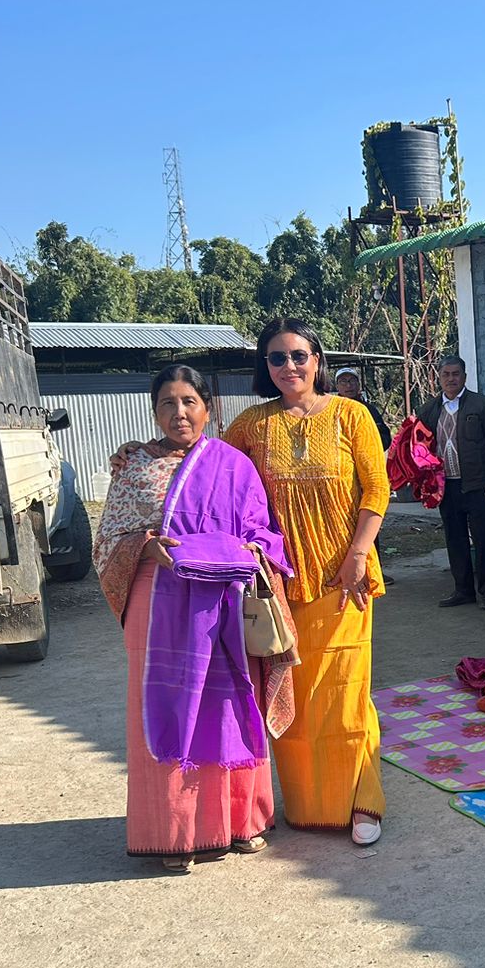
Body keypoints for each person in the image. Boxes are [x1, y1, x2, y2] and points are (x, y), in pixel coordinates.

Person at [94, 365, 294, 873]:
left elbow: (264, 535)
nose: (178, 413)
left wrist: (235, 552)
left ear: (208, 406)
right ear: (154, 409)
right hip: (155, 598)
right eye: (167, 403)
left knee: (227, 706)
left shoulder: (233, 465)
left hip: (221, 604)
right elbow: (108, 542)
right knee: (168, 705)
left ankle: (240, 822)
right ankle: (175, 834)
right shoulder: (135, 467)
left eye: (188, 401)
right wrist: (144, 546)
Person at [223, 317, 392, 846]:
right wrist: (147, 455)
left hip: (346, 579)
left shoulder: (351, 414)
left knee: (345, 695)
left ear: (317, 360)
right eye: (277, 358)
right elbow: (211, 471)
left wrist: (358, 554)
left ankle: (363, 802)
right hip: (278, 585)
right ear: (264, 367)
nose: (289, 366)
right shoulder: (252, 424)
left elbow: (377, 488)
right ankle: (307, 806)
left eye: (299, 355)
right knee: (289, 698)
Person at [416, 355, 485, 610]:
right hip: (446, 486)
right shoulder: (429, 409)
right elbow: (418, 446)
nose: (451, 379)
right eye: (446, 374)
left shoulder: (481, 405)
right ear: (439, 378)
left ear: (464, 377)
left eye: (456, 374)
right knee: (455, 539)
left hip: (477, 484)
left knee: (482, 538)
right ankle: (463, 590)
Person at [335, 366, 396, 586]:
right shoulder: (332, 410)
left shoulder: (369, 410)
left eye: (352, 381)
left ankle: (373, 569)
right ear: (336, 386)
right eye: (343, 381)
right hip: (342, 477)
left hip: (365, 475)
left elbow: (384, 438)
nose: (348, 385)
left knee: (369, 519)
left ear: (359, 385)